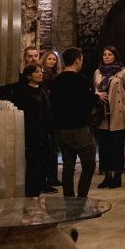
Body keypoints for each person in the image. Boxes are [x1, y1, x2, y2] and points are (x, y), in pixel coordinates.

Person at [49, 47, 98, 198]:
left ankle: (69, 199)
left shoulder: (55, 80)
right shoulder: (80, 80)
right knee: (89, 163)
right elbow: (86, 104)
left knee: (68, 167)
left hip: (61, 129)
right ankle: (81, 197)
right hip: (79, 128)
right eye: (81, 59)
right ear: (77, 60)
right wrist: (95, 97)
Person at [4, 63, 56, 196]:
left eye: (41, 71)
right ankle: (31, 194)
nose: (40, 74)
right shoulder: (23, 92)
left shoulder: (42, 90)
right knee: (33, 165)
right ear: (28, 75)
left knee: (44, 163)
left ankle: (37, 191)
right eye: (37, 72)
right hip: (31, 132)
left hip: (44, 133)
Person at [93, 46, 125, 190]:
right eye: (104, 54)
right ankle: (107, 176)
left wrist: (117, 101)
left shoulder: (123, 72)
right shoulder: (98, 72)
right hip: (102, 114)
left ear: (115, 56)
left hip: (117, 113)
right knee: (104, 147)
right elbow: (95, 89)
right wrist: (98, 95)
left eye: (110, 54)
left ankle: (117, 177)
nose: (107, 57)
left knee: (117, 147)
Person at [40, 49, 62, 188]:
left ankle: (53, 177)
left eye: (54, 59)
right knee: (51, 147)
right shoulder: (46, 74)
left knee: (53, 147)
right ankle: (51, 177)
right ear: (44, 59)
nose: (52, 61)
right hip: (48, 113)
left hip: (52, 113)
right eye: (50, 59)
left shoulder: (54, 74)